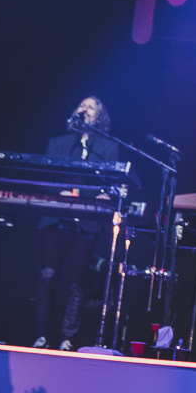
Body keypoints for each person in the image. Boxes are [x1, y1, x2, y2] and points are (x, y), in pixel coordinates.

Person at [33, 96, 120, 350]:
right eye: (82, 105)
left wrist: (100, 194)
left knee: (76, 280)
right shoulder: (58, 143)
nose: (84, 109)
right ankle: (42, 334)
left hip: (87, 221)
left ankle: (67, 337)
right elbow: (43, 176)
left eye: (90, 107)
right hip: (57, 217)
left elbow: (111, 185)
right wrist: (57, 191)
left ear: (99, 117)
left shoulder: (107, 147)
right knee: (47, 276)